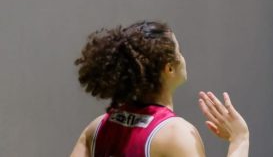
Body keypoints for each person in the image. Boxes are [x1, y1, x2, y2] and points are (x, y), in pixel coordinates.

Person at [70, 20, 249, 157]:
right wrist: (239, 140)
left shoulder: (97, 128)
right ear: (169, 68)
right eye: (179, 51)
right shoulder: (176, 135)